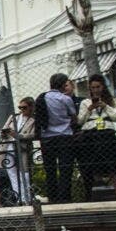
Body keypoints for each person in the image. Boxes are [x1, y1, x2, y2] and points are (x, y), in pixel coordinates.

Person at [74, 73, 116, 198]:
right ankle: (97, 193)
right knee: (94, 165)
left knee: (112, 166)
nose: (96, 90)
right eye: (93, 87)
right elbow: (80, 121)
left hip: (107, 134)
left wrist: (106, 107)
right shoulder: (85, 102)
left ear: (103, 87)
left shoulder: (113, 101)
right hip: (91, 134)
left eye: (98, 87)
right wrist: (90, 109)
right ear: (90, 89)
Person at [38, 72, 78, 203]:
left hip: (47, 137)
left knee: (50, 169)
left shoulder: (42, 98)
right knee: (65, 168)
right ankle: (65, 197)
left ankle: (52, 196)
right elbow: (73, 116)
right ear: (62, 84)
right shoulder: (65, 99)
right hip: (64, 136)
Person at [0, 98, 35, 205]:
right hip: (9, 146)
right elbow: (3, 129)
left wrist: (18, 135)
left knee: (24, 172)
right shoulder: (14, 117)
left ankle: (26, 197)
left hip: (22, 148)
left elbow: (33, 134)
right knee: (12, 173)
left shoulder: (33, 120)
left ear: (31, 107)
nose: (22, 110)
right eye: (20, 107)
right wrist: (4, 133)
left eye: (24, 107)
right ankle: (19, 197)